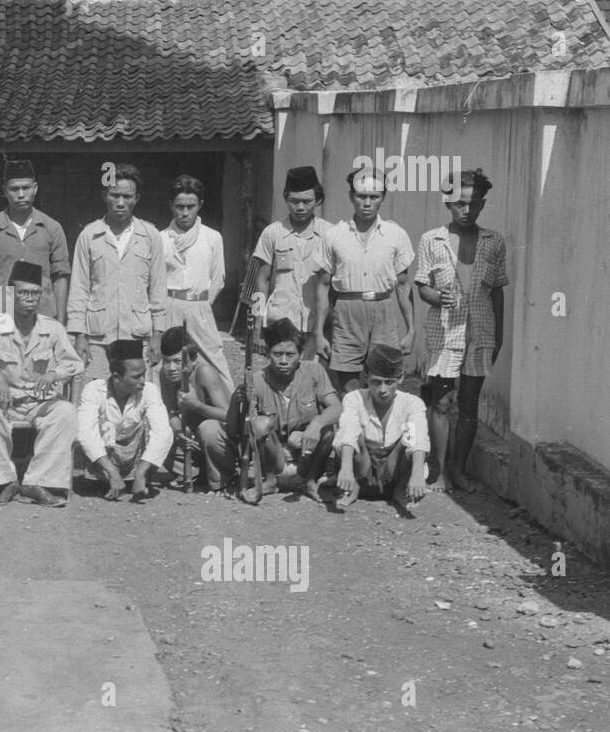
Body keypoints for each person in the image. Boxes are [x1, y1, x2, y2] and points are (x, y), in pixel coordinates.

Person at [0, 260, 84, 507]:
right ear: (11, 294)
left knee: (67, 412)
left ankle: (35, 482)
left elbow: (75, 365)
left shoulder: (52, 328)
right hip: (3, 399)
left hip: (40, 402)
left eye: (35, 293)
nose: (29, 298)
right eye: (23, 292)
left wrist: (54, 374)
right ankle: (5, 482)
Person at [415, 169, 508, 493]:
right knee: (441, 401)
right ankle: (438, 470)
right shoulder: (432, 239)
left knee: (469, 404)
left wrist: (498, 336)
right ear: (447, 203)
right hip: (444, 332)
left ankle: (459, 470)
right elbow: (422, 287)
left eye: (473, 204)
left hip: (480, 332)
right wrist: (438, 298)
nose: (466, 211)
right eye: (459, 204)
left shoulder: (493, 241)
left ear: (482, 204)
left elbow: (497, 290)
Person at [198, 318, 340, 502]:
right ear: (267, 353)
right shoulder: (257, 380)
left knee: (328, 430)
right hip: (275, 459)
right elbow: (236, 431)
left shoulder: (314, 372)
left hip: (306, 456)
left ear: (301, 353)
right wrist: (237, 402)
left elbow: (337, 407)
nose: (283, 361)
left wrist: (315, 425)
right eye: (277, 354)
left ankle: (311, 483)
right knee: (262, 423)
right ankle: (270, 481)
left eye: (290, 354)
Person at [312, 169, 415, 394]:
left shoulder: (396, 234)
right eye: (361, 196)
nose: (367, 203)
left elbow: (404, 285)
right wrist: (319, 333)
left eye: (374, 197)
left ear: (383, 198)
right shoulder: (334, 235)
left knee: (385, 380)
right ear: (351, 196)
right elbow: (323, 286)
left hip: (383, 309)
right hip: (347, 310)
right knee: (348, 385)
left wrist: (411, 329)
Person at [66, 163, 167, 384]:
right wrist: (79, 335)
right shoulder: (89, 235)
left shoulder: (150, 236)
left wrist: (158, 335)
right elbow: (79, 287)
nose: (121, 203)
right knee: (94, 395)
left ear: (137, 198)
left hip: (138, 335)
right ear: (105, 196)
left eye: (127, 196)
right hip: (99, 337)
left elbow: (158, 288)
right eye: (115, 195)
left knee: (139, 398)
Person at [159, 175, 234, 394]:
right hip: (169, 305)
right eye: (179, 206)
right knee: (166, 362)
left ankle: (230, 413)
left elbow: (219, 277)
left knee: (214, 358)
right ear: (171, 206)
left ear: (200, 205)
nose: (184, 212)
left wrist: (202, 304)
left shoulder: (212, 237)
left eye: (190, 206)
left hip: (199, 307)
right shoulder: (160, 238)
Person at [333, 343, 429, 512]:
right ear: (365, 377)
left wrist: (417, 474)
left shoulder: (412, 403)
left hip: (394, 471)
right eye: (376, 382)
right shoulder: (354, 398)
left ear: (400, 379)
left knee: (410, 438)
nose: (382, 390)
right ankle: (353, 486)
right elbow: (348, 432)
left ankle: (401, 489)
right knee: (349, 435)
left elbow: (418, 439)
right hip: (364, 467)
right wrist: (346, 468)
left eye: (389, 382)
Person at [0, 160, 70, 322]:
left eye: (26, 187)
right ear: (4, 191)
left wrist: (60, 323)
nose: (21, 194)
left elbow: (60, 277)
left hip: (43, 317)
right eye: (14, 189)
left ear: (35, 188)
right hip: (2, 318)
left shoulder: (52, 228)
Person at [76, 339, 173, 501]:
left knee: (157, 428)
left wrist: (141, 472)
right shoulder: (94, 390)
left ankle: (136, 478)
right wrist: (112, 471)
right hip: (102, 463)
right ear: (116, 377)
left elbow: (163, 433)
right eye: (136, 377)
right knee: (87, 428)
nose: (143, 380)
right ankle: (106, 478)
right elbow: (85, 433)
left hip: (135, 458)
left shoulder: (149, 390)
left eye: (143, 374)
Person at [251, 165, 332, 358]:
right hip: (279, 321)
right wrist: (257, 328)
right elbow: (260, 283)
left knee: (312, 378)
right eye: (294, 201)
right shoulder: (273, 233)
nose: (301, 207)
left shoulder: (330, 233)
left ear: (318, 199)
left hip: (317, 325)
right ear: (286, 198)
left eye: (307, 201)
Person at [157, 325, 230, 489]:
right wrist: (178, 433)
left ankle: (222, 476)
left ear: (193, 358)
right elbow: (170, 412)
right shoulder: (165, 374)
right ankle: (198, 471)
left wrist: (196, 405)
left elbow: (227, 415)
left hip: (219, 438)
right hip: (193, 438)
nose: (171, 368)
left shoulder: (204, 372)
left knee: (208, 429)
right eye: (166, 361)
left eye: (177, 361)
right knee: (159, 430)